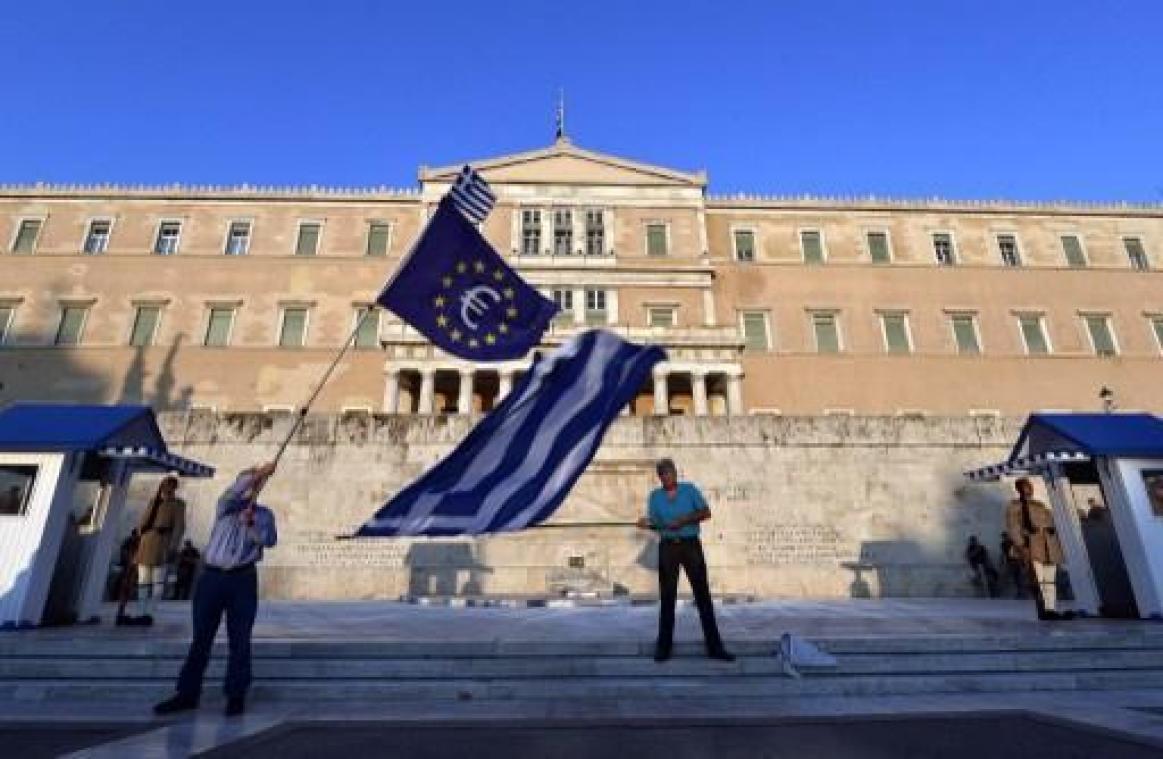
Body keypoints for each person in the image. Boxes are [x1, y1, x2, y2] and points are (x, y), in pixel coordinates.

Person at [154, 462, 279, 718]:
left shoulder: (264, 515)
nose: (251, 487)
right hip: (211, 578)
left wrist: (251, 525)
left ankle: (236, 694)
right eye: (248, 482)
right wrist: (257, 474)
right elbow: (233, 492)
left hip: (242, 580)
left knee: (240, 639)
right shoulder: (225, 507)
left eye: (256, 484)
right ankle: (187, 693)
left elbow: (269, 541)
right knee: (201, 638)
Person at [636, 458, 733, 663]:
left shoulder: (689, 490)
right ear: (659, 477)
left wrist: (684, 520)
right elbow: (657, 523)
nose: (666, 477)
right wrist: (646, 524)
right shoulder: (654, 497)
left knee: (703, 596)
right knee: (668, 597)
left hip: (690, 545)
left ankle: (715, 647)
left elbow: (706, 512)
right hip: (668, 548)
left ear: (675, 473)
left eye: (669, 473)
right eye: (662, 474)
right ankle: (663, 647)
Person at [121, 476, 186, 626]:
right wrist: (140, 532)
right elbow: (143, 522)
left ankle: (149, 613)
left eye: (170, 485)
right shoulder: (154, 502)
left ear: (174, 488)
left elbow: (179, 527)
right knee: (143, 580)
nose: (166, 488)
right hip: (146, 542)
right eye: (164, 485)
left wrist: (173, 547)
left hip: (162, 544)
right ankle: (141, 611)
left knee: (157, 582)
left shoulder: (178, 505)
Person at [1005, 477, 1070, 620]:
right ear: (1019, 489)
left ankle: (1051, 609)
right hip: (1032, 545)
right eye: (1026, 487)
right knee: (1038, 580)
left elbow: (1051, 522)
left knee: (1049, 580)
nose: (1029, 489)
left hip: (1048, 544)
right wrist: (1021, 545)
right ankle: (1043, 610)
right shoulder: (1015, 506)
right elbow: (1013, 527)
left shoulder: (1040, 505)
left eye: (1030, 486)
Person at [999, 531, 1025, 599]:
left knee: (1018, 577)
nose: (1005, 538)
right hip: (1011, 562)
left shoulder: (1012, 543)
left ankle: (1021, 592)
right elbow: (1004, 554)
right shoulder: (1004, 544)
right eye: (1004, 537)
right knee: (1016, 577)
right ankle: (1020, 592)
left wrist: (1020, 561)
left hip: (1015, 562)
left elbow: (1018, 552)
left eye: (1005, 537)